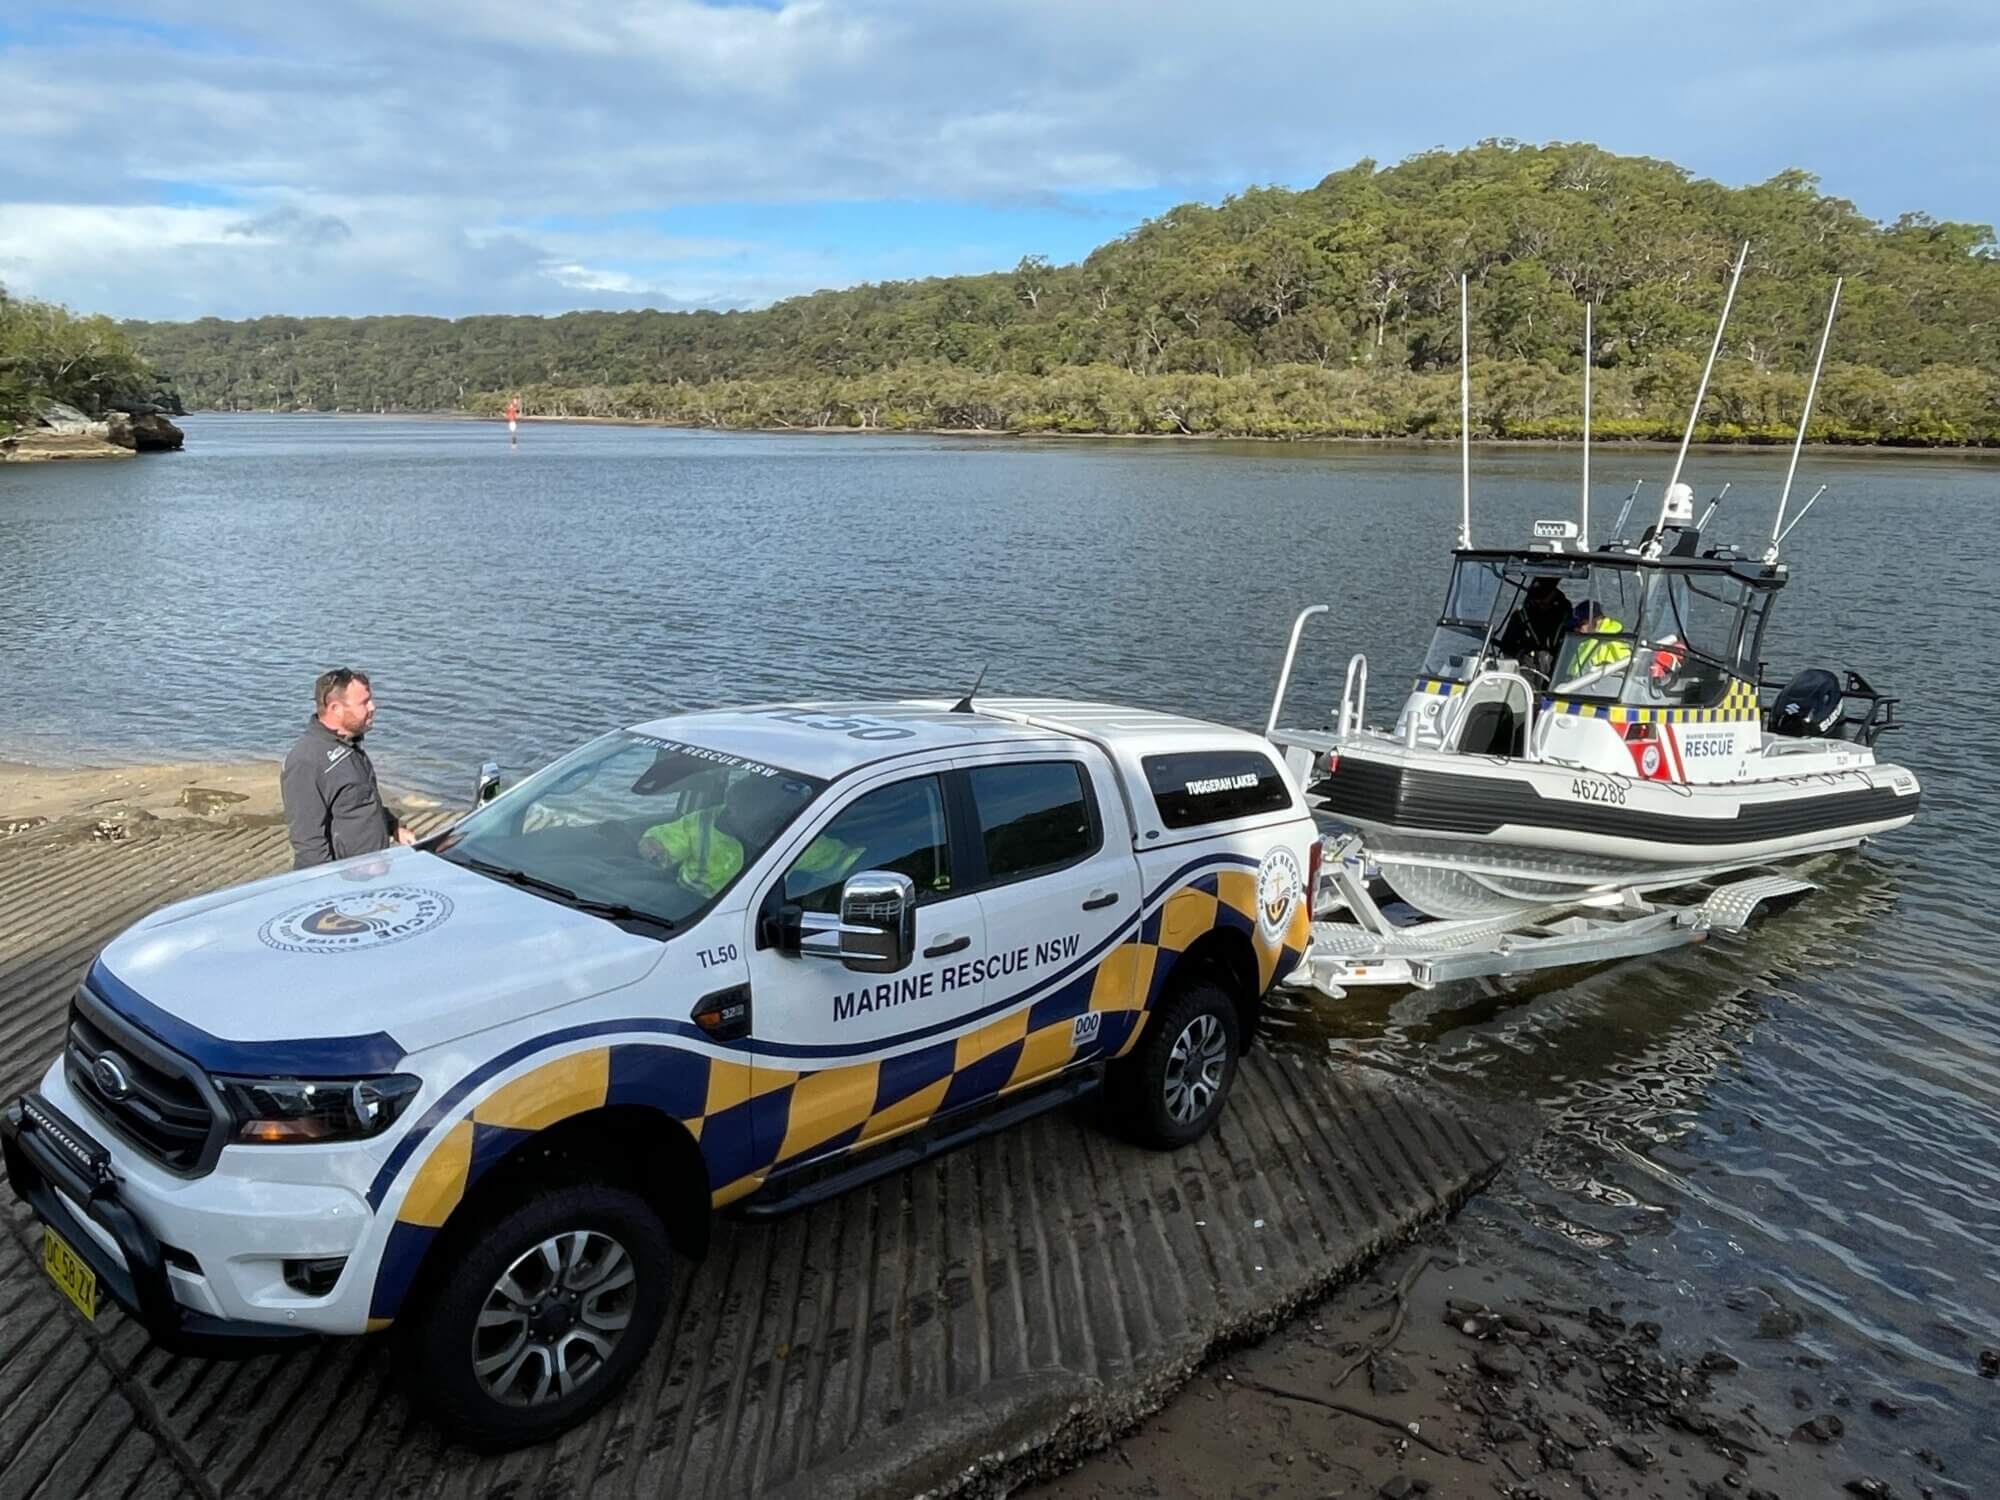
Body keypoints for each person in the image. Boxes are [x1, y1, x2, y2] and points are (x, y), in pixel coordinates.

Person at [639, 773, 854, 901]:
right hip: (688, 902)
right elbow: (661, 840)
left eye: (771, 820)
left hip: (747, 915)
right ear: (733, 807)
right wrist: (653, 847)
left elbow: (845, 861)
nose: (762, 827)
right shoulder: (702, 822)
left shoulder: (794, 838)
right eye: (749, 815)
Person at [281, 668, 416, 869]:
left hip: (374, 871)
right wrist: (331, 888)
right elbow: (308, 842)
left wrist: (393, 826)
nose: (373, 707)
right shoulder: (306, 761)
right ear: (335, 708)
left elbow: (358, 802)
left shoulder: (349, 745)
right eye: (364, 702)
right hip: (346, 881)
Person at [1496, 575, 1573, 670]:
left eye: (1543, 600)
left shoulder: (1567, 615)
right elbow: (1507, 647)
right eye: (1536, 600)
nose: (1540, 603)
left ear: (1554, 593)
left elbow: (1572, 647)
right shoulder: (1521, 615)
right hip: (1526, 669)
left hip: (1560, 669)